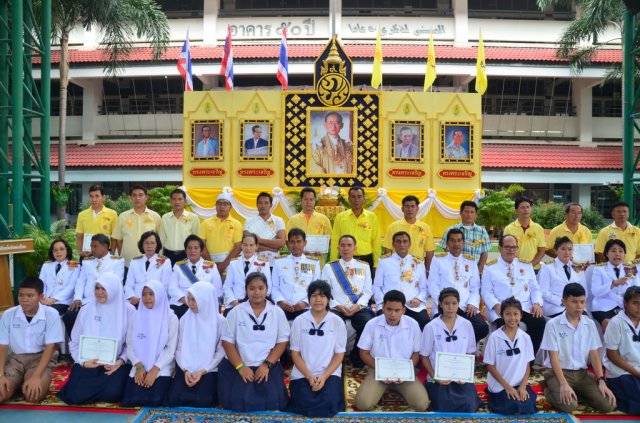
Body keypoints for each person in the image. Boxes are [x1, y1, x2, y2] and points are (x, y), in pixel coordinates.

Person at [58, 272, 134, 405]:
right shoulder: (86, 309)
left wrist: (121, 361)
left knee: (113, 394)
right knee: (74, 395)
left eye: (104, 288)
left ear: (114, 289)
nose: (99, 293)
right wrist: (82, 362)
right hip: (89, 362)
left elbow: (132, 344)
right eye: (97, 288)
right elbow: (74, 341)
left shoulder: (129, 311)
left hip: (115, 364)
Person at [540, 283, 616, 414]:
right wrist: (563, 384)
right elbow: (553, 358)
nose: (579, 306)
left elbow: (594, 355)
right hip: (559, 373)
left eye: (582, 302)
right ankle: (549, 388)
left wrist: (601, 381)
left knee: (608, 405)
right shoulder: (553, 324)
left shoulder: (589, 324)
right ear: (564, 301)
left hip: (582, 374)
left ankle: (577, 392)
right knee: (569, 406)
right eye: (574, 302)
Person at [219, 272, 290, 412]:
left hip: (267, 363)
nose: (256, 292)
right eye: (252, 288)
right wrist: (241, 367)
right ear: (246, 290)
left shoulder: (277, 312)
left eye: (260, 288)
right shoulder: (236, 312)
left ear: (267, 289)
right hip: (241, 364)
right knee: (238, 401)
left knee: (273, 401)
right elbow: (227, 342)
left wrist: (266, 365)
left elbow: (282, 342)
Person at [354, 290, 429, 412]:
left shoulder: (413, 324)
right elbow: (364, 352)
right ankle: (382, 387)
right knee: (363, 404)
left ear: (404, 310)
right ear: (382, 307)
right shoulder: (372, 324)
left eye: (397, 310)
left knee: (421, 405)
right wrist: (379, 369)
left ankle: (396, 387)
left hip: (404, 372)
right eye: (389, 309)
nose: (393, 314)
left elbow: (416, 353)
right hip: (377, 370)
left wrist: (406, 371)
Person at [287, 281, 347, 417]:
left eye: (322, 296)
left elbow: (339, 355)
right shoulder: (299, 320)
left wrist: (324, 376)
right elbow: (295, 354)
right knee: (303, 402)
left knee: (329, 403)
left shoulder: (337, 321)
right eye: (314, 296)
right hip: (304, 373)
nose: (318, 300)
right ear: (308, 298)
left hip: (329, 373)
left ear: (329, 299)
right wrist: (309, 376)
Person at [0, 277, 64, 404]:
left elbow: (50, 347)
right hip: (14, 358)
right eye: (21, 295)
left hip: (39, 358)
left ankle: (23, 382)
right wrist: (0, 375)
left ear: (40, 297)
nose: (24, 299)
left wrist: (36, 376)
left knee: (33, 396)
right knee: (2, 394)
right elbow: (2, 346)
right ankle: (17, 383)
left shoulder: (51, 314)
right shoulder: (8, 314)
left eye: (30, 296)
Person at [481, 234, 546, 354]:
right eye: (507, 247)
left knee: (540, 322)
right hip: (500, 309)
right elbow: (486, 292)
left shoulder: (526, 265)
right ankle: (502, 358)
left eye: (514, 247)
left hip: (524, 308)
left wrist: (537, 303)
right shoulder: (490, 268)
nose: (511, 250)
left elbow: (535, 288)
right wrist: (495, 305)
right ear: (500, 248)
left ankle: (528, 360)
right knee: (505, 326)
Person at [166, 282, 226, 408]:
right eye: (189, 299)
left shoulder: (220, 321)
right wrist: (186, 370)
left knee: (204, 401)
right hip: (186, 368)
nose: (191, 303)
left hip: (209, 369)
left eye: (195, 299)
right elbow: (179, 348)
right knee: (174, 399)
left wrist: (203, 370)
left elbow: (221, 351)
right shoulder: (184, 319)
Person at [420, 288, 480, 412]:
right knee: (445, 405)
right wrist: (435, 376)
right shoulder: (431, 327)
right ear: (441, 304)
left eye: (454, 303)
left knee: (468, 405)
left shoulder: (466, 324)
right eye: (447, 303)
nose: (450, 307)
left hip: (460, 376)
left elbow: (470, 353)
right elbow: (424, 356)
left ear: (458, 304)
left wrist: (465, 374)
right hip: (439, 377)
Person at [121, 281, 178, 407]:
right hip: (139, 365)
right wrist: (138, 365)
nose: (147, 298)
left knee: (156, 400)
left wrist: (155, 369)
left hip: (161, 366)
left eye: (151, 294)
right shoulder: (136, 315)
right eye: (144, 294)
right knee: (131, 400)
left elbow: (170, 349)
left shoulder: (170, 317)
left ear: (159, 295)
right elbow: (130, 345)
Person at [321, 234, 373, 366]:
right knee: (330, 322)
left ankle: (358, 356)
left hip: (358, 307)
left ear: (355, 248)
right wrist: (337, 306)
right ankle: (333, 356)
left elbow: (368, 291)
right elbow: (325, 292)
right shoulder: (329, 267)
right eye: (343, 246)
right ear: (338, 248)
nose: (346, 249)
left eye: (349, 245)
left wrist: (358, 305)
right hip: (336, 307)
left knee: (368, 322)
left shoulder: (364, 266)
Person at [428, 229, 488, 342]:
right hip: (444, 307)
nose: (456, 244)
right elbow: (432, 285)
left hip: (465, 306)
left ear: (463, 243)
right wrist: (442, 304)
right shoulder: (438, 260)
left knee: (482, 327)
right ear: (447, 243)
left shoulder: (470, 261)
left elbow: (475, 287)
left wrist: (472, 303)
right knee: (439, 328)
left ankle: (463, 349)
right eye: (452, 241)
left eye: (459, 241)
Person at [63, 234, 125, 337]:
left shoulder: (117, 261)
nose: (92, 249)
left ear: (105, 247)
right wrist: (77, 298)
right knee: (69, 316)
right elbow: (81, 281)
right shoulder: (87, 262)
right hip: (87, 301)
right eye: (91, 246)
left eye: (95, 246)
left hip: (106, 301)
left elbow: (117, 284)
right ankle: (77, 344)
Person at [483, 297, 537, 415]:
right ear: (502, 315)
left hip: (518, 382)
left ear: (521, 315)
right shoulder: (494, 337)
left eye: (515, 314)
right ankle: (493, 393)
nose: (512, 318)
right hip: (501, 384)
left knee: (527, 406)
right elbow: (490, 365)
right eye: (508, 314)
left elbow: (528, 365)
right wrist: (507, 387)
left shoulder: (525, 337)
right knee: (512, 407)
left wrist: (522, 387)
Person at [374, 231, 429, 329]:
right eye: (398, 242)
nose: (402, 244)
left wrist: (418, 299)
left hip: (412, 305)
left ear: (409, 244)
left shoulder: (418, 263)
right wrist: (383, 302)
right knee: (380, 325)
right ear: (393, 244)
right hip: (389, 305)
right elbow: (377, 286)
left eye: (405, 241)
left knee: (424, 322)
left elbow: (424, 288)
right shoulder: (384, 261)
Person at [604, 286, 640, 415]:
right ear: (625, 303)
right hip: (622, 371)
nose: (639, 307)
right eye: (635, 303)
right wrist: (636, 373)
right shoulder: (616, 322)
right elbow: (612, 355)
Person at [271, 228, 321, 321]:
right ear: (287, 243)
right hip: (282, 308)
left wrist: (305, 303)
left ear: (305, 243)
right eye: (292, 242)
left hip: (305, 308)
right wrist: (281, 302)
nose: (296, 245)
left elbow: (316, 288)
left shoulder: (313, 263)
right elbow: (274, 286)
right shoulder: (279, 261)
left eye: (299, 241)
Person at [591, 239, 639, 332]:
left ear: (624, 254)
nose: (617, 254)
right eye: (613, 251)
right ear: (606, 254)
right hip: (604, 307)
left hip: (625, 306)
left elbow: (637, 289)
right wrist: (613, 284)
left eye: (621, 251)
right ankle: (612, 347)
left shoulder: (630, 269)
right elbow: (595, 291)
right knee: (608, 324)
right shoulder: (599, 269)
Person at [169, 235, 222, 319]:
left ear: (201, 250)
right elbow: (172, 288)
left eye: (196, 248)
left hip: (204, 304)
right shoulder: (178, 266)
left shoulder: (211, 266)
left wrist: (203, 302)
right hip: (182, 303)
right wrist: (188, 301)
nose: (192, 251)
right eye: (189, 248)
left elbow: (217, 289)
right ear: (185, 250)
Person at [330, 186, 381, 273]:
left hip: (366, 259)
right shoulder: (340, 217)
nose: (356, 200)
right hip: (345, 259)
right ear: (349, 199)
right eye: (353, 197)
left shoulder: (372, 217)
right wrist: (333, 262)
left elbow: (376, 241)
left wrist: (376, 264)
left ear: (363, 199)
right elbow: (335, 240)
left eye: (359, 196)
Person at [112, 184, 161, 268]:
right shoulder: (123, 216)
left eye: (140, 195)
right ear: (130, 198)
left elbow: (160, 240)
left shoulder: (155, 216)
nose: (137, 198)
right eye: (134, 195)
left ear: (146, 197)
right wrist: (123, 256)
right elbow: (119, 240)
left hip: (150, 263)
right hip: (128, 262)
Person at [383, 195, 434, 271]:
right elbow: (388, 249)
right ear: (402, 209)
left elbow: (429, 251)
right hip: (397, 267)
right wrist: (389, 267)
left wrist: (427, 270)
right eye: (407, 206)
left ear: (417, 209)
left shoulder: (425, 227)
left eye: (413, 206)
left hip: (418, 267)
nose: (410, 209)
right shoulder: (393, 226)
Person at [223, 232, 271, 314]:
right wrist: (234, 302)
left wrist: (256, 303)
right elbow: (227, 286)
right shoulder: (233, 263)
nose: (248, 248)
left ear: (256, 246)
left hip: (255, 306)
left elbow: (268, 287)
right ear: (241, 246)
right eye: (245, 245)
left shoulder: (263, 264)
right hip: (235, 305)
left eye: (251, 245)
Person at [539, 237, 586, 318]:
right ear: (556, 251)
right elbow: (543, 291)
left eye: (570, 249)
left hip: (576, 306)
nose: (567, 252)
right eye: (563, 249)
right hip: (556, 307)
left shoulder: (578, 267)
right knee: (571, 319)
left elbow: (584, 290)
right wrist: (562, 302)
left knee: (586, 321)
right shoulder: (547, 267)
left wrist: (578, 303)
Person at [439, 200, 492, 273]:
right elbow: (447, 251)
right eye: (466, 212)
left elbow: (484, 254)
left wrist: (478, 272)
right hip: (455, 271)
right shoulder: (450, 230)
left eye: (472, 212)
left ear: (476, 214)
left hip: (475, 271)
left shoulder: (482, 232)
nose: (469, 215)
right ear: (460, 213)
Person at [124, 231, 172, 307]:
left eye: (152, 243)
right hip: (136, 301)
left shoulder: (165, 262)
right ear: (142, 245)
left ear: (157, 245)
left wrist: (154, 299)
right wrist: (132, 297)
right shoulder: (135, 261)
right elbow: (128, 285)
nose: (149, 246)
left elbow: (165, 286)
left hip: (156, 302)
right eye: (146, 243)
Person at [285, 187, 332, 266]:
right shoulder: (293, 219)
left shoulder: (324, 219)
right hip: (298, 261)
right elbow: (287, 240)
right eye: (305, 199)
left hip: (318, 261)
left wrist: (322, 249)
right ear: (301, 200)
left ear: (315, 201)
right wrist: (298, 251)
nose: (308, 202)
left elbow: (329, 239)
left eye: (311, 199)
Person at [198, 192, 243, 274]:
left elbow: (238, 247)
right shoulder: (206, 223)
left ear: (231, 207)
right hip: (208, 265)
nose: (222, 206)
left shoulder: (237, 224)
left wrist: (224, 265)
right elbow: (201, 245)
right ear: (215, 206)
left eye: (225, 204)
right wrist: (211, 264)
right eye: (219, 203)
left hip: (229, 266)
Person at [243, 192, 285, 267]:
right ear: (256, 205)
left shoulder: (278, 220)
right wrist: (271, 248)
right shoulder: (249, 221)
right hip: (253, 262)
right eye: (260, 203)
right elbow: (247, 244)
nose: (263, 205)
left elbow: (281, 243)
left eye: (266, 203)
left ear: (271, 205)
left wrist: (259, 240)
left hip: (273, 263)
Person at [159, 188, 200, 265]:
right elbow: (161, 239)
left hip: (186, 255)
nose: (177, 202)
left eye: (180, 199)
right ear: (170, 202)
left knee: (184, 276)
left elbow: (197, 239)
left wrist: (196, 258)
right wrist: (160, 256)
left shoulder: (193, 217)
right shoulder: (165, 217)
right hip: (168, 255)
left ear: (185, 202)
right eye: (174, 199)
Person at [75, 184, 117, 259]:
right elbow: (79, 236)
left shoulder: (112, 214)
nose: (94, 199)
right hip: (87, 253)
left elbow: (114, 237)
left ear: (103, 197)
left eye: (97, 196)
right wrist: (80, 252)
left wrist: (112, 252)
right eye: (91, 196)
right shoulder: (82, 215)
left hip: (105, 254)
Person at [39, 238, 80, 315]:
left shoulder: (75, 266)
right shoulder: (46, 266)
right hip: (45, 301)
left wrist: (53, 300)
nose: (58, 252)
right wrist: (43, 298)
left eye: (61, 249)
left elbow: (71, 287)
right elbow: (41, 284)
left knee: (47, 313)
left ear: (67, 250)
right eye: (55, 250)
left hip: (63, 302)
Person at [503, 197, 546, 270]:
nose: (526, 210)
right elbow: (505, 250)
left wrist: (531, 266)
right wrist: (518, 266)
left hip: (534, 269)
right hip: (515, 269)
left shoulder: (538, 228)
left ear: (531, 209)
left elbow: (541, 250)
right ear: (516, 211)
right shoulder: (509, 229)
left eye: (528, 207)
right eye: (522, 207)